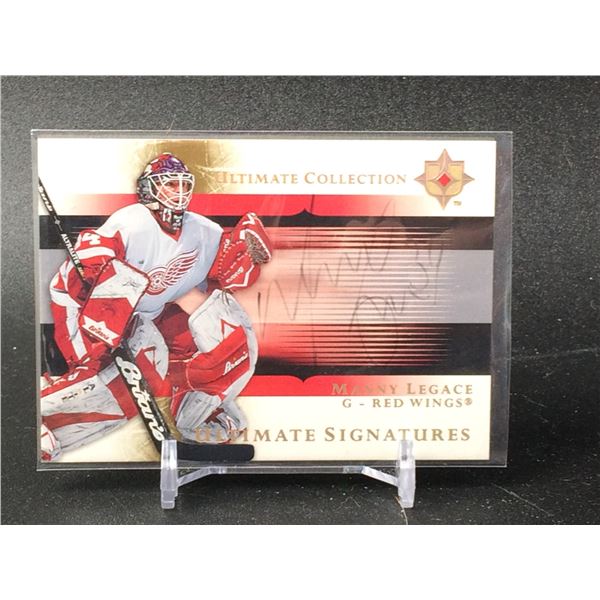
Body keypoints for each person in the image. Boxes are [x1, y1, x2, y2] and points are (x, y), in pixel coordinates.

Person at [41, 152, 273, 461]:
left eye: (183, 184)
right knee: (117, 378)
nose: (179, 191)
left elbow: (220, 276)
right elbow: (90, 261)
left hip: (144, 312)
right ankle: (41, 418)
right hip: (82, 305)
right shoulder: (131, 221)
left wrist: (242, 255)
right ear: (148, 188)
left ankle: (196, 412)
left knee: (229, 332)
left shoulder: (203, 231)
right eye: (170, 184)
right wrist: (98, 266)